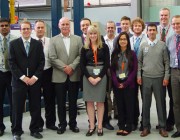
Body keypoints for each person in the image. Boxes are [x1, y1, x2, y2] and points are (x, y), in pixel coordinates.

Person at [9, 20, 45, 140]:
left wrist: (34, 77)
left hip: (34, 81)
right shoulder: (13, 44)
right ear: (20, 31)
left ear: (31, 30)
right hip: (19, 82)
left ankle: (34, 129)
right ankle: (17, 132)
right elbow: (12, 63)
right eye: (23, 29)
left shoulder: (37, 44)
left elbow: (41, 62)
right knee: (17, 108)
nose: (25, 31)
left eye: (27, 28)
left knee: (35, 106)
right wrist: (23, 77)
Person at [48, 17, 82, 135]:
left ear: (70, 25)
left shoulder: (78, 39)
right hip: (59, 76)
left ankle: (73, 124)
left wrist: (71, 67)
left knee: (73, 102)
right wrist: (65, 68)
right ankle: (62, 124)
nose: (65, 26)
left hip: (73, 75)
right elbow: (52, 58)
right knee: (61, 103)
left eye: (67, 24)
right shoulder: (53, 40)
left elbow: (80, 55)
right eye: (63, 24)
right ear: (59, 25)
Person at [80, 18, 114, 130]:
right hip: (88, 76)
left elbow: (107, 64)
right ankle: (91, 126)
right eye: (91, 33)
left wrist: (99, 77)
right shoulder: (84, 48)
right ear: (88, 35)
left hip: (101, 76)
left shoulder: (104, 46)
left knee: (100, 101)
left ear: (98, 34)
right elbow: (82, 65)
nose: (93, 35)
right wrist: (89, 77)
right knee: (89, 102)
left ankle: (99, 126)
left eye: (95, 33)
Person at [138, 23, 169, 137]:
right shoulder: (143, 45)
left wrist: (166, 77)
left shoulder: (162, 45)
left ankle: (162, 127)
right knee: (146, 104)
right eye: (149, 30)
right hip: (146, 78)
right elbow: (139, 62)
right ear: (146, 32)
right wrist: (138, 76)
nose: (151, 32)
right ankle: (146, 127)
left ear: (157, 32)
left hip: (159, 78)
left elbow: (166, 62)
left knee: (160, 103)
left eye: (153, 30)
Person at [111, 32, 137, 136]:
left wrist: (126, 83)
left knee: (129, 105)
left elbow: (134, 70)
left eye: (124, 39)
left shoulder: (132, 53)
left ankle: (128, 126)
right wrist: (116, 82)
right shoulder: (114, 53)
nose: (122, 41)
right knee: (120, 105)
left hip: (129, 84)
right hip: (117, 83)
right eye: (121, 39)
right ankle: (121, 125)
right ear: (118, 41)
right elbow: (112, 69)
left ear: (127, 41)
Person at [34, 20, 57, 131]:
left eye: (42, 27)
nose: (40, 29)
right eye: (38, 27)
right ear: (34, 29)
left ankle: (51, 123)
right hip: (35, 74)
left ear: (45, 29)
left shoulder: (50, 41)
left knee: (50, 98)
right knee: (36, 99)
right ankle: (38, 123)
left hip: (48, 72)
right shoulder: (32, 41)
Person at [157, 8, 174, 132]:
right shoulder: (154, 30)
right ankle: (161, 121)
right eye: (162, 15)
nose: (163, 17)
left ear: (169, 16)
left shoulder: (174, 29)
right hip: (157, 69)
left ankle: (171, 121)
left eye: (166, 15)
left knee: (173, 97)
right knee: (160, 98)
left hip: (171, 69)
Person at [0, 18, 17, 137]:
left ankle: (14, 127)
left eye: (6, 25)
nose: (4, 27)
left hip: (12, 74)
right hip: (0, 73)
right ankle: (0, 127)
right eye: (1, 26)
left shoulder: (16, 39)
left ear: (9, 26)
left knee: (14, 102)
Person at [130, 17, 147, 131]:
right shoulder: (129, 40)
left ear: (142, 27)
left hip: (144, 72)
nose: (137, 27)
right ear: (132, 28)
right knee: (133, 97)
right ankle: (134, 120)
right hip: (131, 73)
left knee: (145, 97)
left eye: (139, 25)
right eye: (135, 25)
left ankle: (144, 121)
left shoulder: (146, 40)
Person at [166, 15, 180, 138]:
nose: (176, 26)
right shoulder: (170, 39)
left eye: (178, 23)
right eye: (174, 24)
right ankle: (179, 127)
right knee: (176, 101)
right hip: (174, 72)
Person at [104, 21, 118, 120]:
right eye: (108, 27)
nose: (110, 29)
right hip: (106, 69)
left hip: (117, 69)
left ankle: (117, 112)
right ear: (106, 29)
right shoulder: (102, 40)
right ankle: (108, 112)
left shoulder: (118, 40)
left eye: (112, 27)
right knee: (107, 92)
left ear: (115, 29)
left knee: (117, 91)